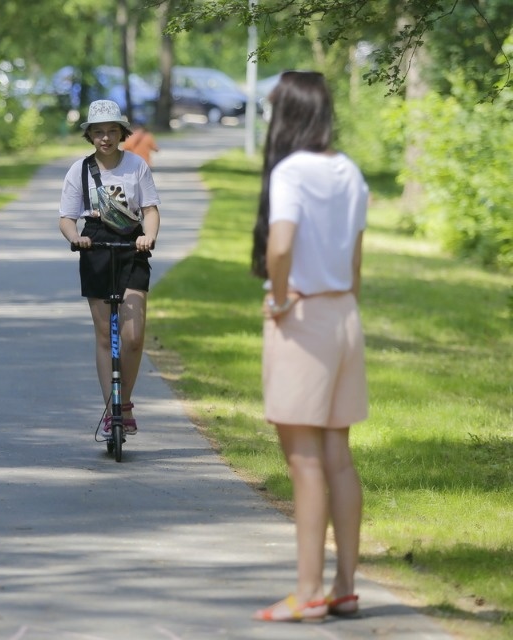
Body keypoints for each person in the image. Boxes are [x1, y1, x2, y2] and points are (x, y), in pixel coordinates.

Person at [249, 71, 368, 622]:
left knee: (303, 460)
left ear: (287, 114)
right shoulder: (349, 170)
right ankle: (343, 585)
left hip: (303, 311)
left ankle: (307, 591)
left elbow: (280, 248)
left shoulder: (291, 171)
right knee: (338, 456)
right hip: (345, 311)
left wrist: (278, 299)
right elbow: (357, 261)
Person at [58, 100, 161, 439]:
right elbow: (67, 218)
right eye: (98, 132)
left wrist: (149, 236)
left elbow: (150, 209)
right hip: (96, 245)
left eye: (111, 131)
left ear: (122, 133)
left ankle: (124, 403)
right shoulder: (80, 170)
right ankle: (111, 411)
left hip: (132, 245)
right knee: (106, 335)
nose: (105, 138)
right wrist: (77, 239)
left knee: (132, 336)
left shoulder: (136, 165)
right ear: (90, 135)